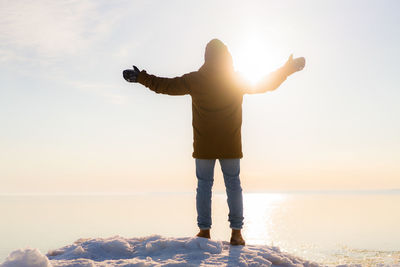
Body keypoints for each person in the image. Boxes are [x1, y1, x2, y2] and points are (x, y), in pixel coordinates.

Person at [123, 38, 305, 246]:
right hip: (230, 145)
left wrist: (141, 78)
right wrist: (287, 69)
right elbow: (266, 83)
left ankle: (204, 231)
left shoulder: (196, 79)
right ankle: (236, 233)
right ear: (227, 57)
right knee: (233, 186)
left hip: (204, 145)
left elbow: (166, 85)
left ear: (206, 57)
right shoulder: (236, 80)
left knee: (204, 186)